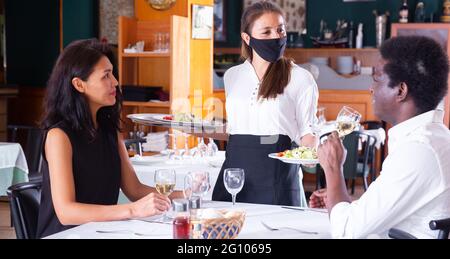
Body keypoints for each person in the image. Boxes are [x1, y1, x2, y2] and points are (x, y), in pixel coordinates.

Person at [37, 39, 182, 238]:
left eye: (112, 73)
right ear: (79, 84)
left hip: (102, 232)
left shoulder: (109, 131)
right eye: (106, 76)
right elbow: (66, 213)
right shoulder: (59, 136)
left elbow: (135, 189)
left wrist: (188, 194)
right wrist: (131, 210)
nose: (115, 82)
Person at [310, 36, 450, 238]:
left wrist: (333, 169)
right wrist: (341, 199)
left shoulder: (418, 150)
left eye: (376, 79)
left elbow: (346, 232)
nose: (371, 88)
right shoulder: (436, 138)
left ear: (400, 90)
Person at [212, 1, 318, 206]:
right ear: (246, 38)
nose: (276, 37)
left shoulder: (301, 78)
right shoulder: (232, 76)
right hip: (234, 176)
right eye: (267, 32)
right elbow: (237, 127)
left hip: (278, 178)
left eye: (280, 30)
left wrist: (311, 155)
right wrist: (195, 129)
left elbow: (308, 132)